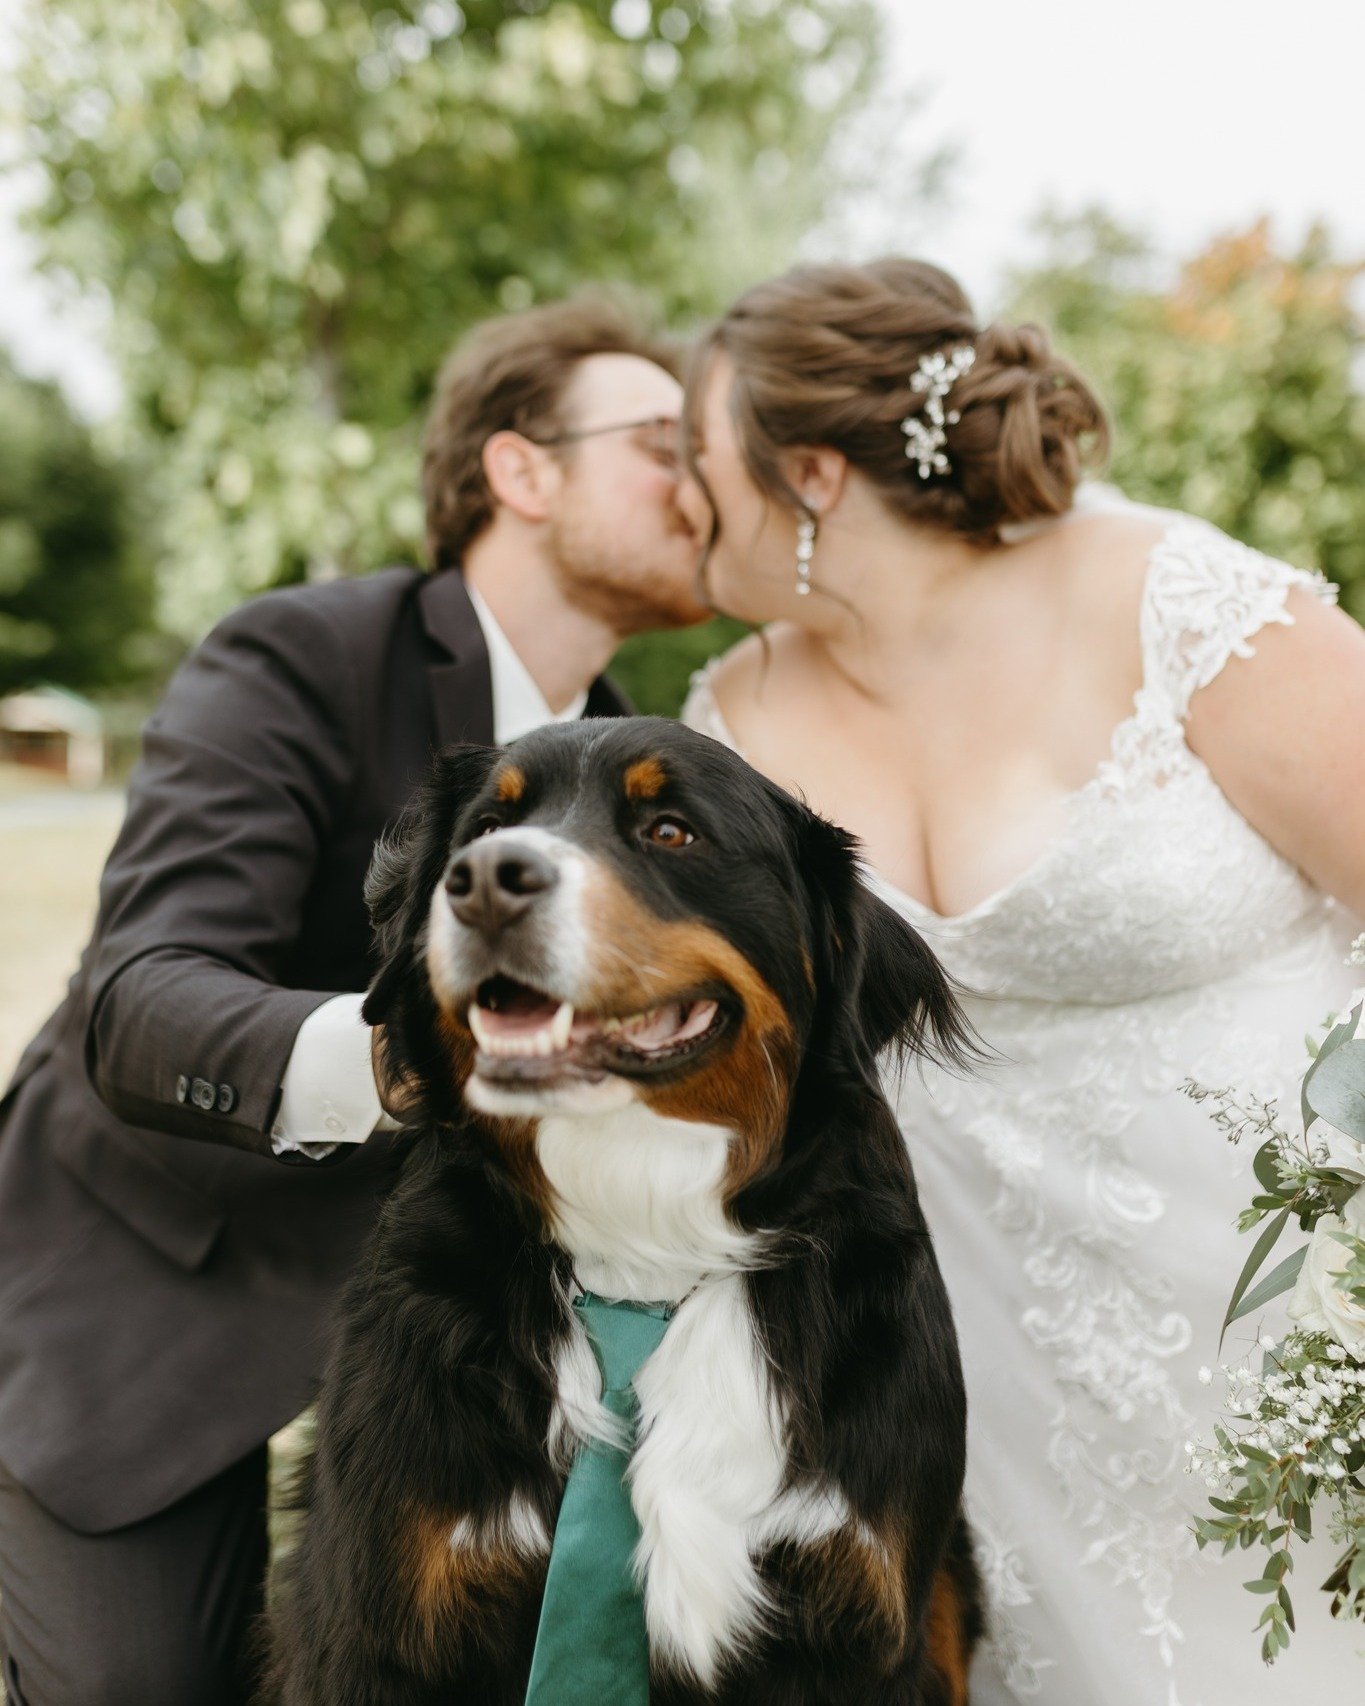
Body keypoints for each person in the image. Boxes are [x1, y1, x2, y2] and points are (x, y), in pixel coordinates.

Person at [0, 294, 707, 1706]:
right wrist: (409, 1058)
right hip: (135, 1311)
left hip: (438, 1380)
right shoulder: (299, 654)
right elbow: (136, 1001)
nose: (706, 482)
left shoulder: (653, 773)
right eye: (663, 442)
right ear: (521, 469)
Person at [676, 257, 1365, 1704]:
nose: (680, 497)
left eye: (697, 458)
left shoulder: (1174, 598)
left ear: (807, 477)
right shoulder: (726, 716)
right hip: (985, 1388)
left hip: (1287, 1320)